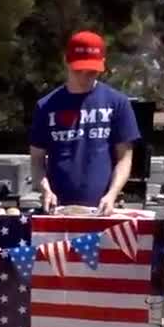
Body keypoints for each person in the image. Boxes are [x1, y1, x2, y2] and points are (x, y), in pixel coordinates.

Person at [28, 30, 142, 215]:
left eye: (91, 72)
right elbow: (37, 159)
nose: (84, 77)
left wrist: (112, 194)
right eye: (78, 70)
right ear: (66, 61)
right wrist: (45, 190)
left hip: (101, 209)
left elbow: (124, 158)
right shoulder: (46, 106)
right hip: (57, 210)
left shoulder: (117, 103)